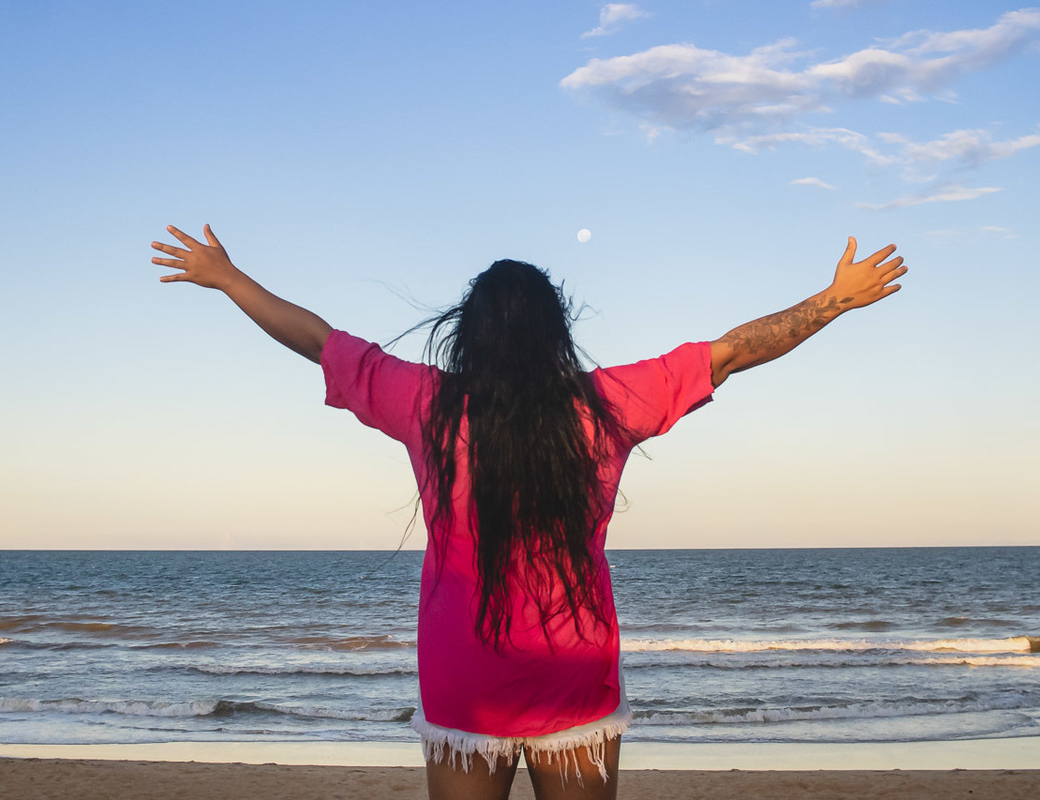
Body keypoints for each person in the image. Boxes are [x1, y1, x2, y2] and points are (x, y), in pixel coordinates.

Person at [151, 225, 906, 800]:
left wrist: (229, 278)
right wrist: (834, 299)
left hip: (464, 677)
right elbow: (732, 352)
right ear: (556, 330)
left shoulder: (428, 403)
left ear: (469, 331)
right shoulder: (607, 403)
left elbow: (319, 342)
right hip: (574, 677)